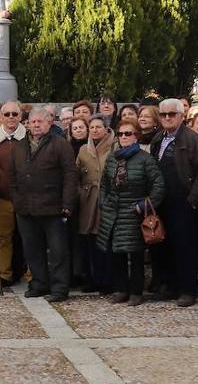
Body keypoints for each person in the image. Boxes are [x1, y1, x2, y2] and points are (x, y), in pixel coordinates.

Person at [147, 98, 198, 306]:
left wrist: (193, 200)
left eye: (171, 114)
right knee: (164, 246)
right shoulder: (158, 138)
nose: (167, 118)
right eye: (163, 114)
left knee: (186, 247)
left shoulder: (192, 139)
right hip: (162, 201)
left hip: (184, 201)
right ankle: (170, 286)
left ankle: (188, 290)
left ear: (181, 116)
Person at [10, 107, 78, 302]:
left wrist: (67, 202)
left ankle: (59, 288)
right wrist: (17, 200)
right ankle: (39, 284)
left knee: (58, 252)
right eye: (33, 121)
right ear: (28, 124)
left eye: (41, 121)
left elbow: (70, 174)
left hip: (53, 208)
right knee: (32, 250)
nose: (37, 124)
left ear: (50, 123)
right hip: (26, 208)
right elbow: (13, 176)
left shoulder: (60, 144)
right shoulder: (20, 146)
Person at [97, 117, 165, 305]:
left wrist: (143, 205)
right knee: (116, 252)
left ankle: (136, 291)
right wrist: (103, 202)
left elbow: (158, 185)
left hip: (134, 212)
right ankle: (121, 289)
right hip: (114, 212)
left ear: (136, 136)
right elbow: (104, 184)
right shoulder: (113, 157)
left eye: (128, 133)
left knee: (135, 254)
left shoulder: (145, 159)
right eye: (121, 134)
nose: (124, 137)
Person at [0, 101, 27, 289]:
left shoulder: (28, 138)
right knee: (3, 237)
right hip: (2, 196)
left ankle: (32, 274)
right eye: (7, 114)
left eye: (14, 114)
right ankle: (4, 274)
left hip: (26, 197)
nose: (11, 117)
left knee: (29, 237)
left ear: (20, 116)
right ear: (1, 117)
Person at [76, 114, 114, 294]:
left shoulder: (115, 146)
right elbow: (76, 173)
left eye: (98, 127)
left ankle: (108, 280)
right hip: (88, 199)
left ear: (106, 129)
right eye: (92, 127)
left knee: (105, 240)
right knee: (88, 241)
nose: (95, 130)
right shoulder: (83, 149)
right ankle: (91, 278)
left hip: (108, 199)